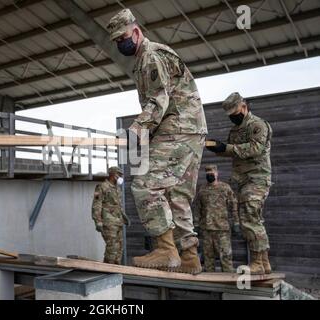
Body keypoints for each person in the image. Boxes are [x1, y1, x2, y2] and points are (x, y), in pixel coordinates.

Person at [106, 9, 207, 274]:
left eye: (124, 37)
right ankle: (189, 256)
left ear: (136, 31)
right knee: (177, 193)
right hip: (189, 128)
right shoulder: (145, 59)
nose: (121, 43)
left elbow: (158, 100)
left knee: (144, 181)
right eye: (117, 41)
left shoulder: (151, 55)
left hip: (178, 128)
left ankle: (166, 249)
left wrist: (137, 130)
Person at [206, 92, 272, 275]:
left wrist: (226, 148)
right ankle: (264, 262)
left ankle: (258, 261)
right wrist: (215, 147)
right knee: (250, 220)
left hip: (257, 178)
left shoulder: (257, 125)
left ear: (243, 106)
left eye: (235, 112)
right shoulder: (235, 131)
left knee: (250, 218)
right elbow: (231, 151)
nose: (233, 117)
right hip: (243, 180)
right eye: (230, 115)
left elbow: (255, 148)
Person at [193, 165, 240, 273]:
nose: (210, 174)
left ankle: (228, 282)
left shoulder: (225, 188)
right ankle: (211, 284)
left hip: (222, 229)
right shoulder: (202, 189)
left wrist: (236, 222)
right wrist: (196, 225)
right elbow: (197, 208)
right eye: (208, 172)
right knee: (208, 258)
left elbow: (234, 205)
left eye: (212, 172)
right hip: (206, 229)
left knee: (226, 257)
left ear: (217, 173)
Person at [92, 166, 130, 265]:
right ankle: (108, 269)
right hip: (108, 222)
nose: (120, 177)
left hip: (118, 221)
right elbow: (97, 205)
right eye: (119, 174)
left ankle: (116, 269)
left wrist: (124, 217)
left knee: (120, 247)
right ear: (113, 174)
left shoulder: (117, 188)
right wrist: (98, 221)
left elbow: (118, 205)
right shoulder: (102, 187)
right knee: (112, 246)